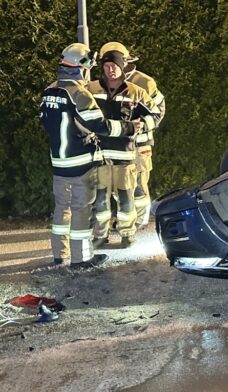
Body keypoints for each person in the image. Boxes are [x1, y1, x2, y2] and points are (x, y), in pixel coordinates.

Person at [40, 43, 142, 268]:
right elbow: (100, 125)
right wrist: (129, 128)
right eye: (88, 68)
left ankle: (60, 255)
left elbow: (45, 122)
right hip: (82, 164)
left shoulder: (49, 91)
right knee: (82, 211)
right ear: (81, 67)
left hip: (59, 163)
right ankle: (82, 259)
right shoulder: (80, 94)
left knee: (61, 209)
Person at [88, 45, 161, 248]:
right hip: (100, 155)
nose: (111, 70)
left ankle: (127, 233)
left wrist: (143, 125)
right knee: (100, 199)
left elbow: (156, 113)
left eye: (115, 66)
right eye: (107, 66)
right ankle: (100, 235)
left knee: (126, 198)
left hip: (125, 155)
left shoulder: (136, 91)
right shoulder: (91, 89)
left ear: (123, 66)